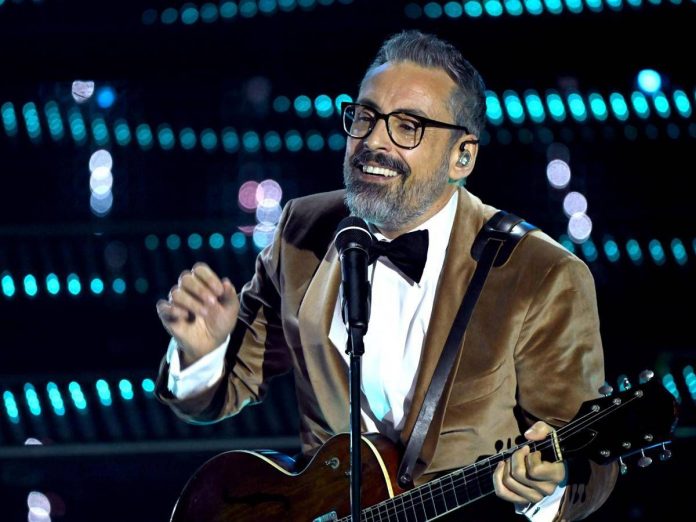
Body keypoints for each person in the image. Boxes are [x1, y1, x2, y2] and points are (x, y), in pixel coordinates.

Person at [155, 30, 617, 521]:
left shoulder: (542, 275)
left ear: (462, 155)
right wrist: (201, 355)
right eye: (365, 116)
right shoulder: (302, 231)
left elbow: (590, 463)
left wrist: (548, 486)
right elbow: (224, 390)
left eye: (408, 126)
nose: (374, 141)